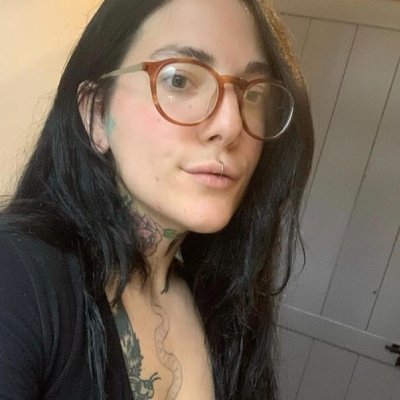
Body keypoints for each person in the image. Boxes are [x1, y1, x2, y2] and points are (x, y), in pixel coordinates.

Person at [0, 0, 314, 399]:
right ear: (97, 113)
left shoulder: (221, 302)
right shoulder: (16, 276)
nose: (231, 124)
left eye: (253, 94)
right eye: (179, 80)